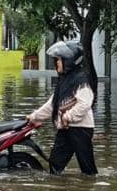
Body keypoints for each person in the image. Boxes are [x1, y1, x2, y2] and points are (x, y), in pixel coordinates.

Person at [28, 40, 98, 175]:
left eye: (58, 60)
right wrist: (34, 117)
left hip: (81, 129)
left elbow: (85, 103)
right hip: (65, 128)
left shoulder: (81, 79)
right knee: (54, 166)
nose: (56, 63)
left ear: (69, 61)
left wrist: (68, 116)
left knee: (88, 169)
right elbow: (52, 105)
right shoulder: (64, 80)